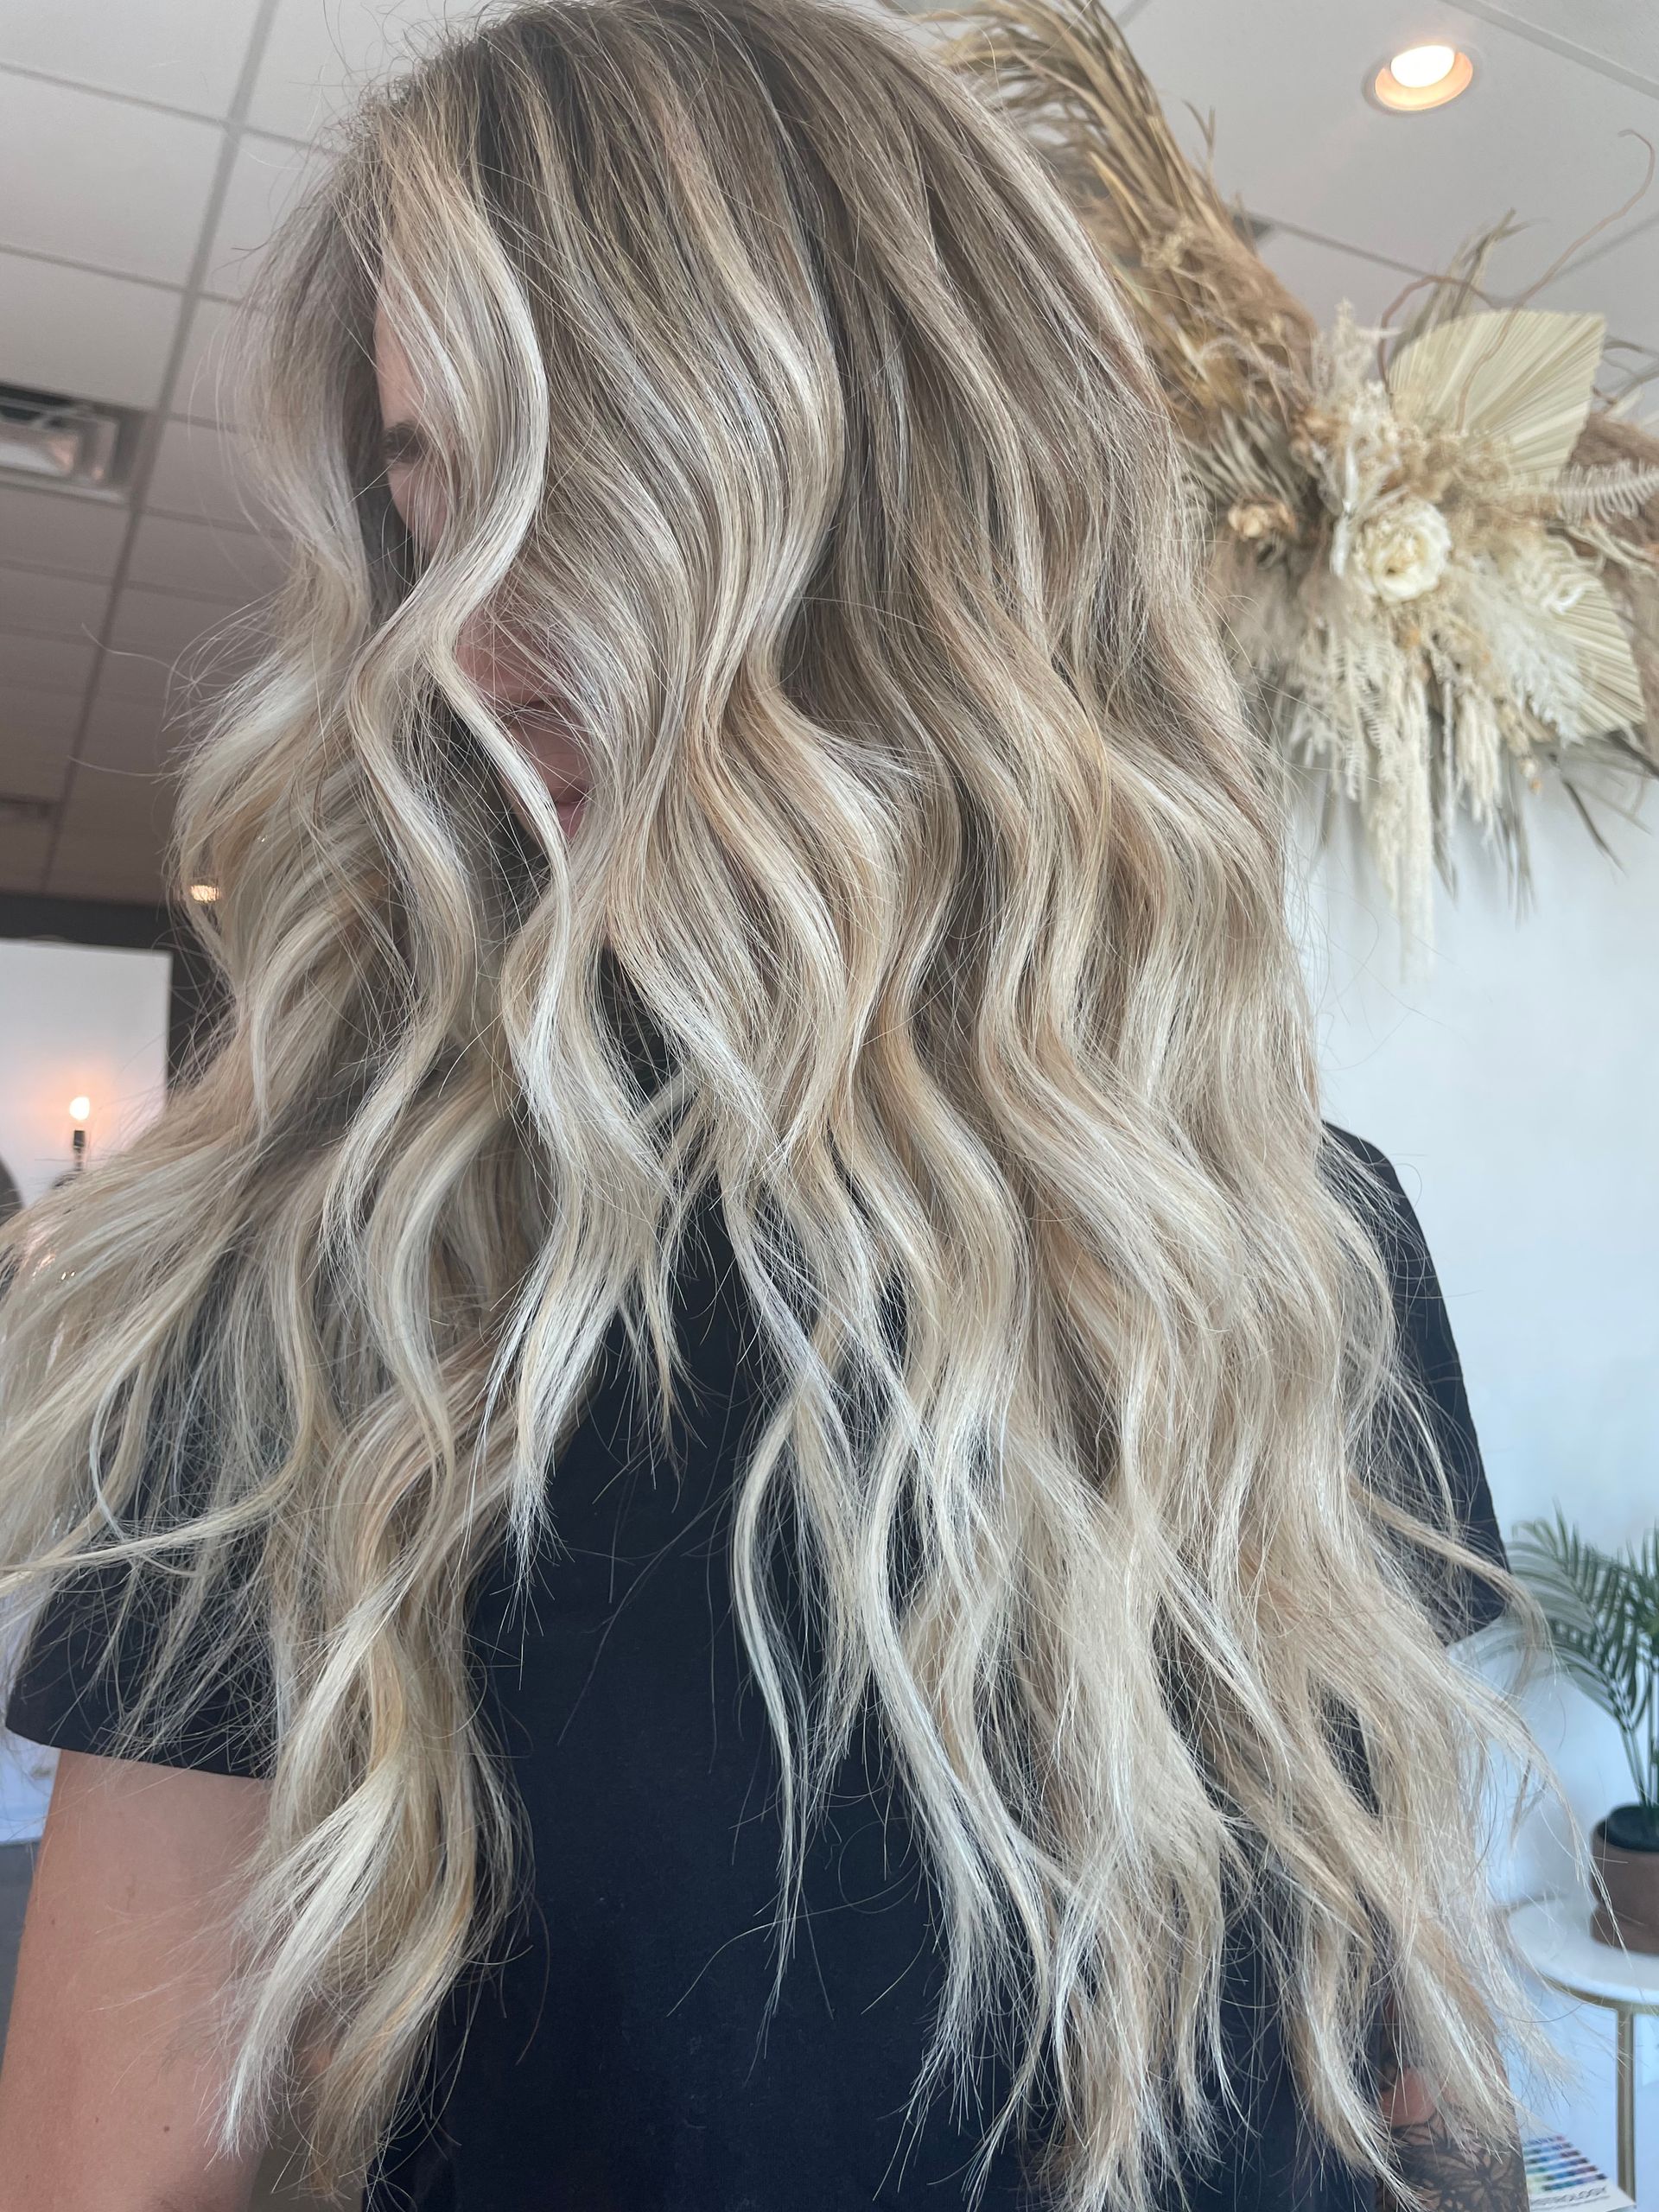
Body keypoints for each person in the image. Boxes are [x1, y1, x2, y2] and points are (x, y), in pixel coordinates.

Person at [0, 3, 1559, 2208]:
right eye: (429, 514)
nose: (461, 645)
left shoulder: (1303, 1241)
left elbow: (1399, 2068)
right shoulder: (319, 1275)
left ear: (905, 488)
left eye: (571, 489)